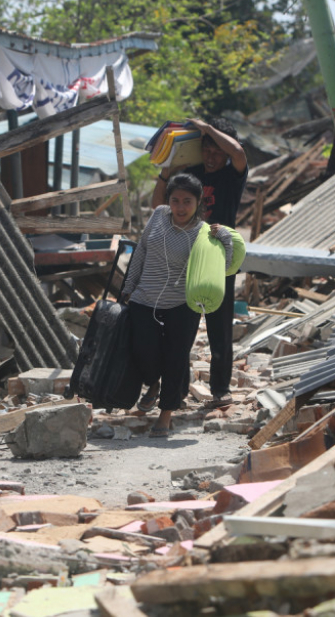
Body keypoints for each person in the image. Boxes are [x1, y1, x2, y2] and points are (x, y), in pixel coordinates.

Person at [122, 174, 233, 438]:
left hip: (181, 305)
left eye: (187, 201)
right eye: (175, 200)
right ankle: (153, 383)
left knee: (175, 359)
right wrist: (128, 286)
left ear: (198, 203)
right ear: (168, 201)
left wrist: (226, 240)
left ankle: (165, 415)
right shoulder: (159, 215)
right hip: (144, 297)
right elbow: (141, 251)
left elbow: (222, 268)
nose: (180, 207)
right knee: (142, 352)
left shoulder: (205, 233)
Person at [151, 117, 248, 408]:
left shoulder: (233, 174)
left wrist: (205, 128)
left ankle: (220, 390)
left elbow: (239, 153)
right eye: (206, 149)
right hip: (184, 254)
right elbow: (159, 205)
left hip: (219, 256)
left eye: (217, 150)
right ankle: (177, 391)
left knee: (220, 328)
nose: (211, 155)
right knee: (181, 326)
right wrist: (166, 172)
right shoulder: (190, 175)